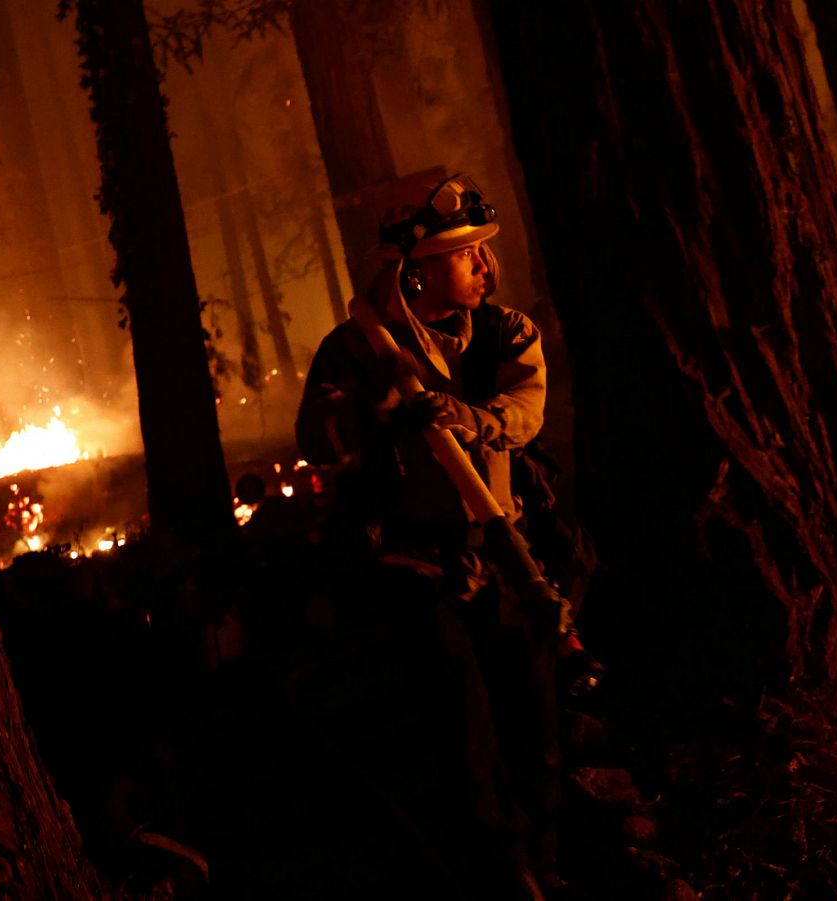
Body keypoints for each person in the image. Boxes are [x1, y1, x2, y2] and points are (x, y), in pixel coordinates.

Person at [296, 173, 568, 899]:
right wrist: (370, 408)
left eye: (485, 250)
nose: (486, 266)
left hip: (508, 567)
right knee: (465, 740)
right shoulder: (355, 348)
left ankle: (543, 859)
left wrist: (465, 417)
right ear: (414, 266)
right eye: (466, 252)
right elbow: (316, 438)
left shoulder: (509, 332)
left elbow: (523, 407)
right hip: (417, 571)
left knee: (535, 729)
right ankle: (504, 879)